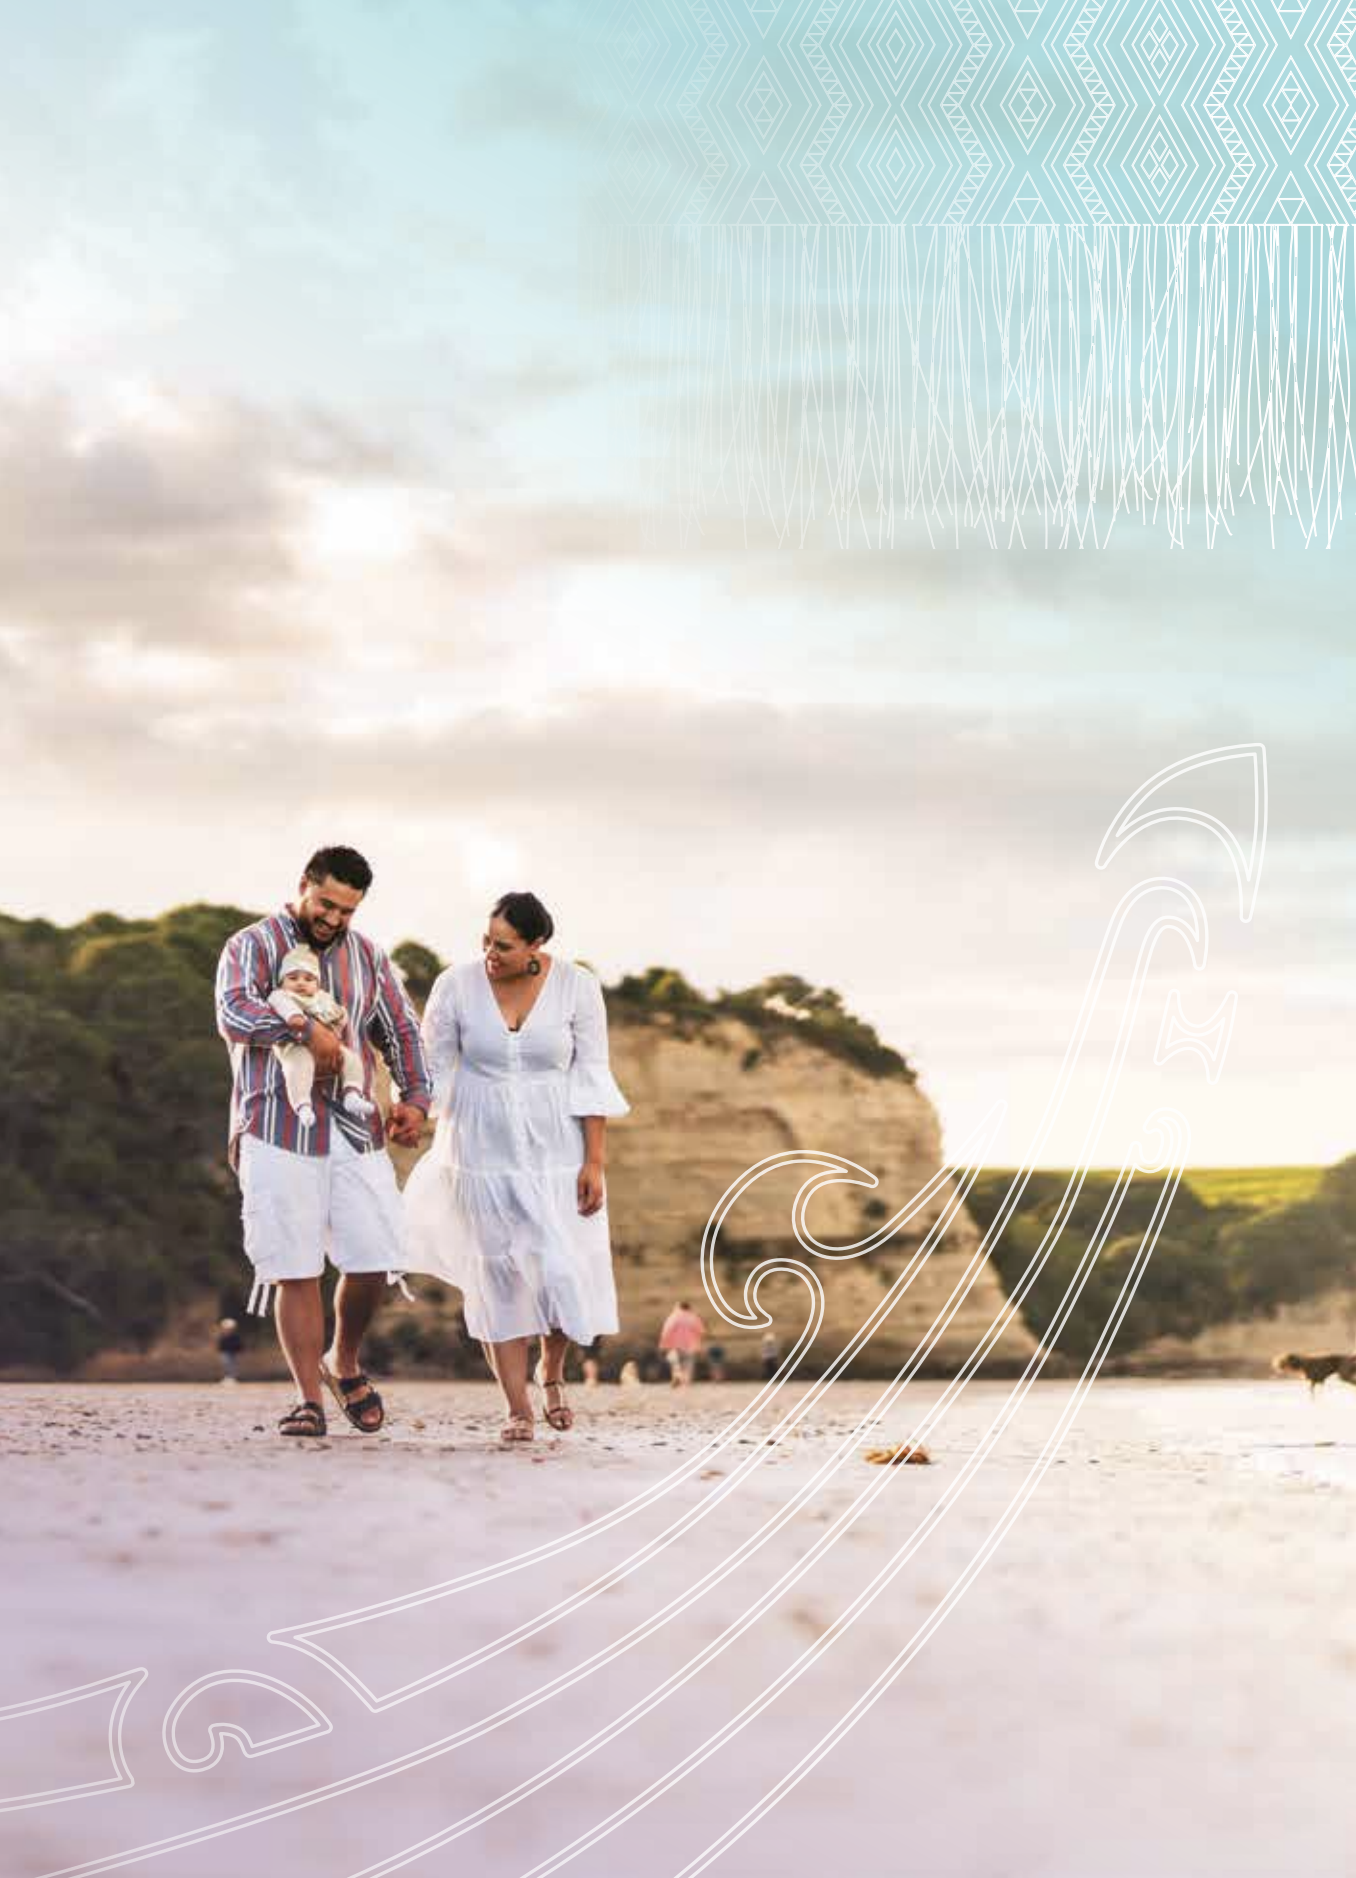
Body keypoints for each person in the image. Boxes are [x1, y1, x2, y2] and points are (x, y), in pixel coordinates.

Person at [215, 845, 431, 1438]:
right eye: (326, 904)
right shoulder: (251, 946)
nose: (333, 920)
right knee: (295, 1264)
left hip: (355, 1129)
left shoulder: (368, 958)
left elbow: (401, 1030)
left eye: (347, 911)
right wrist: (303, 1029)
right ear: (304, 884)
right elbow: (234, 1013)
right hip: (276, 1122)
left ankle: (344, 1360)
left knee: (375, 1255)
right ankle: (309, 1398)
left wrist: (414, 1099)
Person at [402, 891, 629, 1444]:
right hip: (479, 1151)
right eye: (486, 940)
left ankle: (551, 1369)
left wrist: (594, 1161)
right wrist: (410, 1112)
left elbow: (591, 1075)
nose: (490, 954)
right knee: (498, 1274)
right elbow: (433, 1066)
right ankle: (517, 1408)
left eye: (502, 946)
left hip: (557, 1151)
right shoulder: (455, 985)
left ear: (536, 945)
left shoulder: (578, 986)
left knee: (560, 1268)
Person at [268, 944, 376, 1128]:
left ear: (317, 984)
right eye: (293, 978)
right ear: (282, 982)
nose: (301, 983)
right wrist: (295, 1016)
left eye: (308, 979)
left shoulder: (322, 998)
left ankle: (352, 1093)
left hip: (330, 1047)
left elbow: (338, 1018)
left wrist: (340, 1017)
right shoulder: (281, 995)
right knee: (298, 1065)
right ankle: (302, 1105)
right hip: (296, 1046)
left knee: (351, 1059)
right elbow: (283, 1006)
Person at [659, 1299, 706, 1389]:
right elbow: (701, 1331)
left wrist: (663, 1344)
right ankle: (685, 1383)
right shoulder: (694, 1317)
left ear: (679, 1307)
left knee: (675, 1363)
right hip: (691, 1347)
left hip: (675, 1345)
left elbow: (666, 1331)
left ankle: (678, 1376)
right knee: (688, 1365)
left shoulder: (674, 1317)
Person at [216, 1318, 243, 1384]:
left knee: (232, 1366)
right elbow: (220, 1344)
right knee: (226, 1365)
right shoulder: (223, 1336)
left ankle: (232, 1378)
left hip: (233, 1353)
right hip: (225, 1353)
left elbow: (239, 1345)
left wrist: (238, 1351)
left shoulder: (235, 1336)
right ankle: (227, 1377)